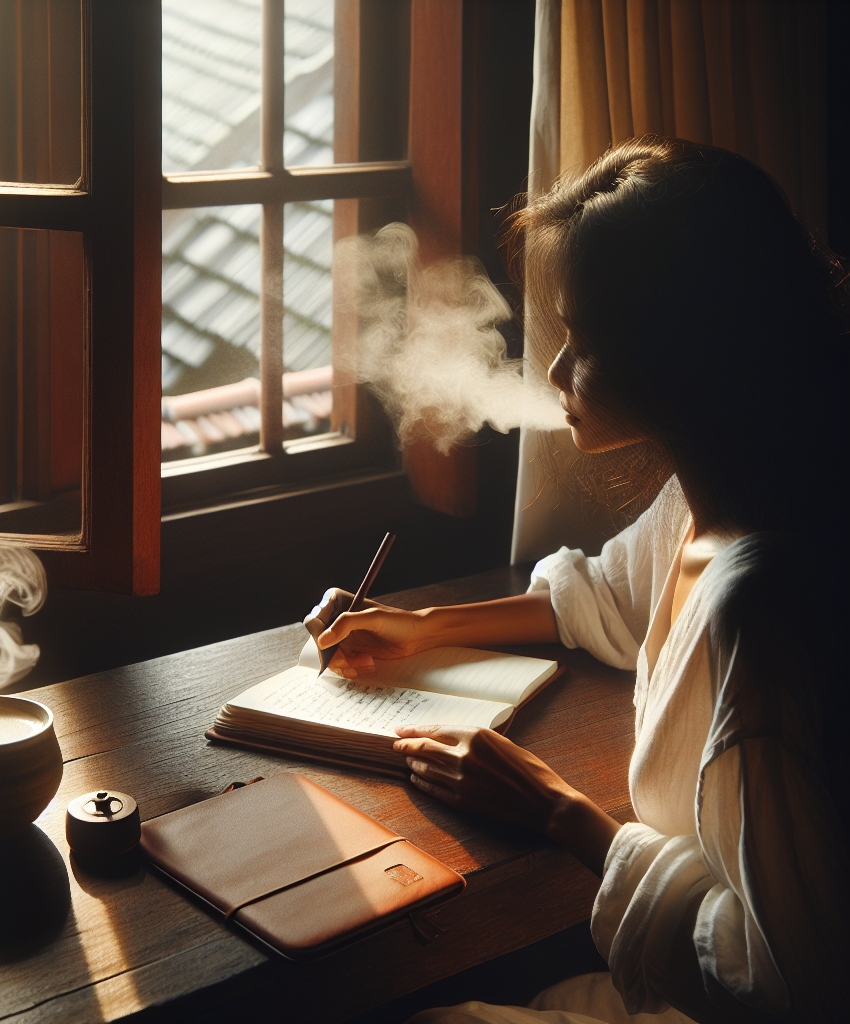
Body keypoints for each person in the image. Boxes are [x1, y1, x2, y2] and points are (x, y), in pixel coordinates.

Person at [305, 137, 848, 1023]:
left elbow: (791, 988)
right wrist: (424, 626)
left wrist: (558, 810)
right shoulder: (717, 491)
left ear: (682, 352)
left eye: (585, 343)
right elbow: (602, 595)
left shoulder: (761, 608)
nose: (556, 374)